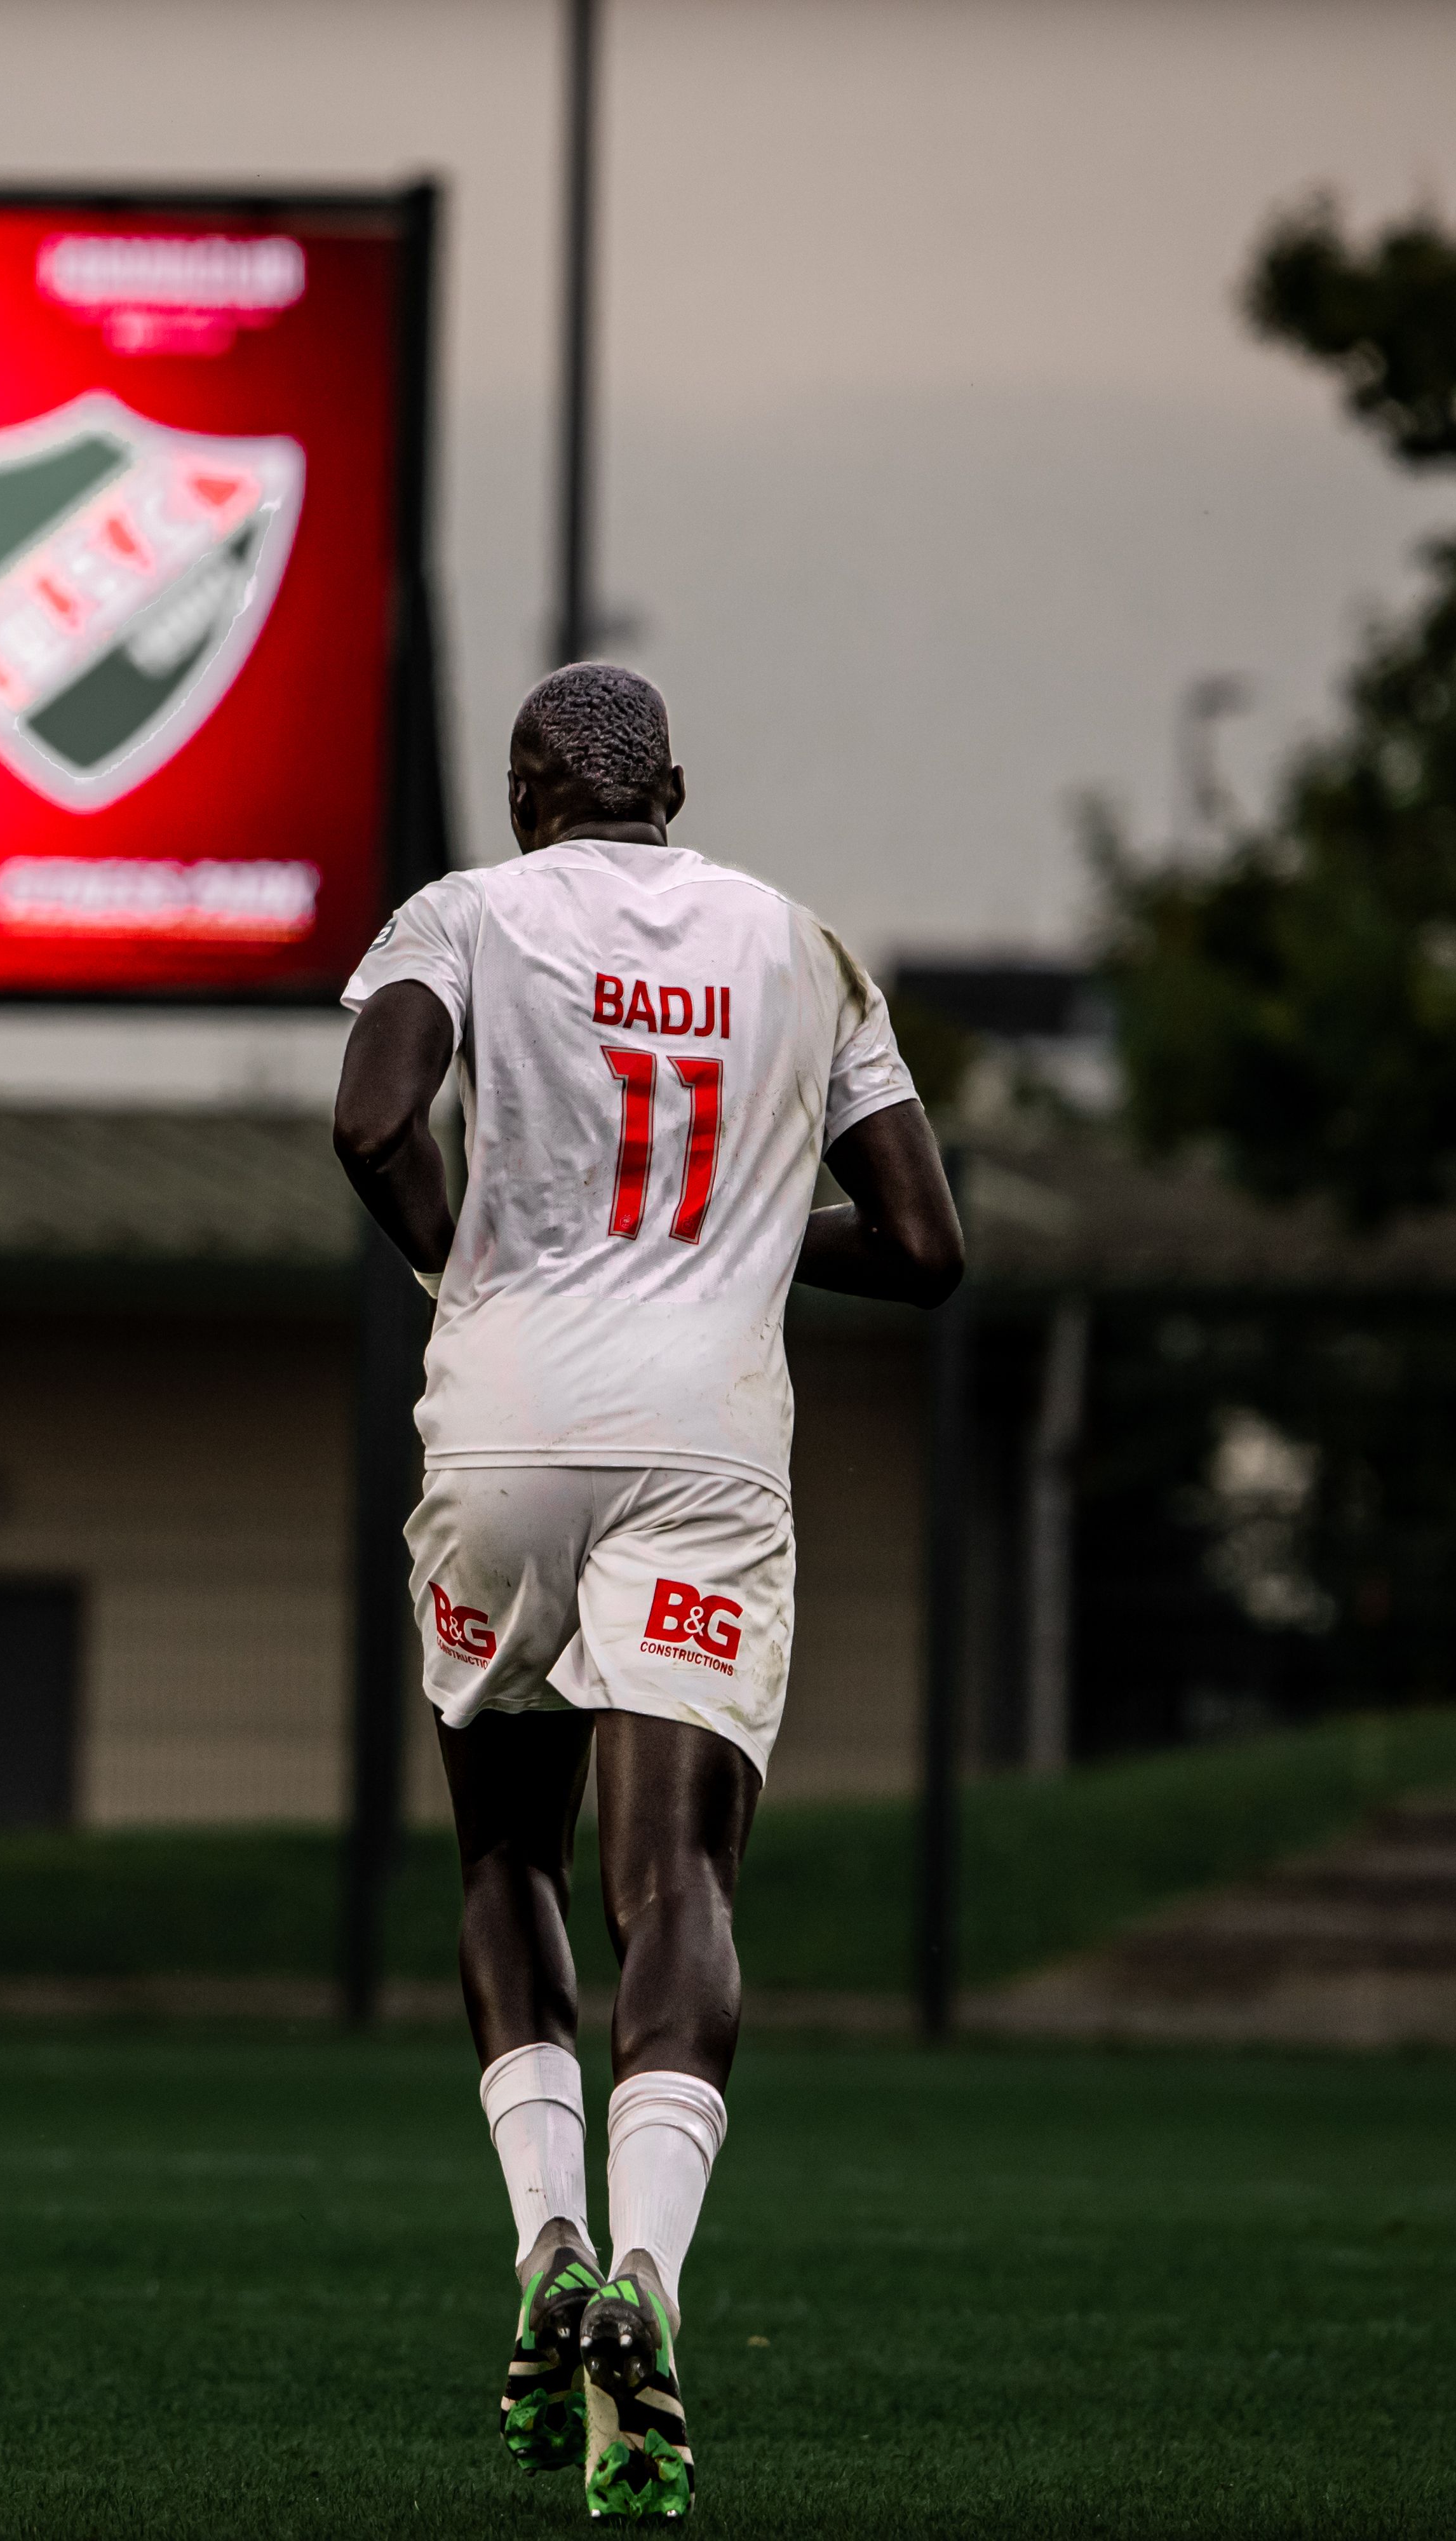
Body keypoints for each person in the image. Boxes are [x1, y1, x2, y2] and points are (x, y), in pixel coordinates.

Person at [332, 663, 962, 2523]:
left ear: (526, 794)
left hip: (507, 1431)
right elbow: (928, 1247)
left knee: (505, 1860)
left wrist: (474, 1269)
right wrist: (748, 1237)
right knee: (672, 1877)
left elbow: (372, 1122)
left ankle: (542, 2247)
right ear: (671, 789)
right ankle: (654, 2281)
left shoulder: (460, 915)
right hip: (704, 1448)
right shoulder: (801, 946)